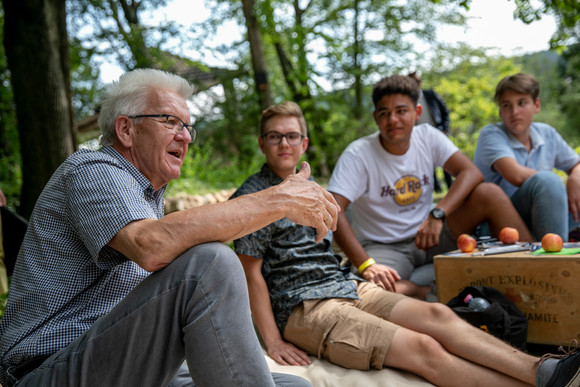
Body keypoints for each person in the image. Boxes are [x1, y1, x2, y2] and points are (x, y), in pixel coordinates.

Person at [0, 69, 336, 387]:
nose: (185, 136)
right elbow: (150, 245)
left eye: (188, 126)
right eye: (170, 121)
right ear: (125, 130)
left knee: (294, 384)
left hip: (128, 360)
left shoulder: (148, 197)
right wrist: (278, 200)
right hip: (51, 368)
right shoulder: (90, 168)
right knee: (211, 262)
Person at [232, 100, 580, 387]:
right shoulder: (251, 196)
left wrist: (364, 270)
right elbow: (251, 274)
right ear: (262, 143)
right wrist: (274, 340)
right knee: (423, 348)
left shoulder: (310, 187)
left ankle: (543, 371)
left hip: (347, 286)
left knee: (437, 314)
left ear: (304, 144)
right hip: (306, 308)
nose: (284, 144)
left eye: (291, 137)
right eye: (274, 137)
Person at [327, 74, 533, 291]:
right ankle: (423, 292)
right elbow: (334, 209)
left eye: (401, 111)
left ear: (417, 113)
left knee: (489, 193)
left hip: (430, 234)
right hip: (385, 246)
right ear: (376, 118)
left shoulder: (428, 136)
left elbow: (471, 173)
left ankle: (539, 266)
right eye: (384, 113)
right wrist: (366, 264)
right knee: (369, 290)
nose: (393, 120)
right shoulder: (358, 154)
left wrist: (438, 213)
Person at [474, 73, 580, 242]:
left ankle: (562, 243)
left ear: (536, 105)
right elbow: (515, 174)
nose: (514, 112)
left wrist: (575, 177)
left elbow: (576, 164)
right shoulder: (491, 134)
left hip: (542, 216)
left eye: (522, 103)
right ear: (500, 112)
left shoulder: (547, 133)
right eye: (507, 105)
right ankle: (556, 260)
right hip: (500, 224)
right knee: (548, 181)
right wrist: (559, 186)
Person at [408, 71, 453, 193]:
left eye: (418, 81)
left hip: (438, 132)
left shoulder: (430, 95)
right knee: (427, 164)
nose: (417, 84)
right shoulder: (408, 101)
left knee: (446, 161)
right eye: (413, 82)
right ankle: (436, 189)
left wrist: (445, 129)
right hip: (419, 138)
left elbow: (445, 112)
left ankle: (451, 187)